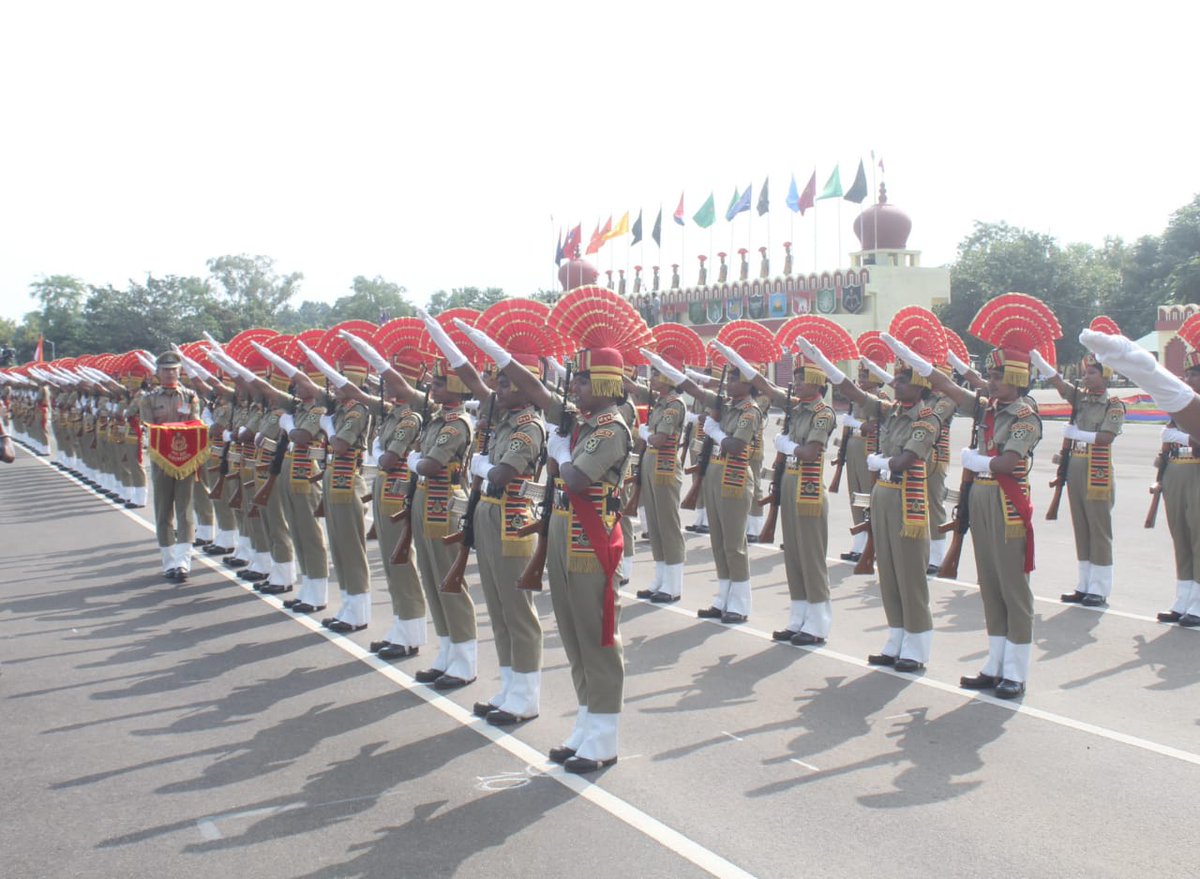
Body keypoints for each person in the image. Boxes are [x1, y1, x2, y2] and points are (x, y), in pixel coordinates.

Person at [461, 290, 635, 774]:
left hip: (589, 543)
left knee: (597, 640)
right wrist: (498, 356)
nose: (573, 388)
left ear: (602, 382)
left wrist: (559, 453)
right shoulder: (583, 421)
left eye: (581, 380)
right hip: (562, 534)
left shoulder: (610, 426)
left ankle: (603, 735)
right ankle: (585, 725)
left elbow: (577, 478)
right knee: (575, 639)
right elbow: (538, 393)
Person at [889, 293, 1055, 699]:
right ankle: (994, 662)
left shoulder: (1025, 415)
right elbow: (947, 385)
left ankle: (1015, 671)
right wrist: (915, 359)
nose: (989, 382)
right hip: (980, 501)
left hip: (1005, 504)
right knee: (990, 583)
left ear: (1016, 377)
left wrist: (973, 460)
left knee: (1013, 588)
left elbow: (1006, 463)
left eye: (997, 377)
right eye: (990, 376)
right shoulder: (988, 408)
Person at [418, 304, 548, 721]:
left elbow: (505, 473)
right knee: (497, 607)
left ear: (528, 387)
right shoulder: (501, 414)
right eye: (500, 382)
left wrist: (483, 468)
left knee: (517, 611)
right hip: (487, 515)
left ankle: (525, 695)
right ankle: (509, 686)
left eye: (508, 382)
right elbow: (473, 380)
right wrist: (446, 339)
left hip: (512, 521)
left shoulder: (529, 424)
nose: (500, 388)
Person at [804, 332, 941, 671]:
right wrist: (824, 363)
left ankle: (917, 645)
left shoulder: (927, 418)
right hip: (882, 499)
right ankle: (896, 637)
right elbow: (854, 393)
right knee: (889, 573)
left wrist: (883, 462)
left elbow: (907, 458)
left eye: (902, 379)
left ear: (920, 385)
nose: (895, 383)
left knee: (910, 575)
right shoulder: (892, 411)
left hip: (907, 502)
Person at [723, 327, 840, 646]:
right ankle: (798, 617)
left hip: (809, 489)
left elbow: (811, 451)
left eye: (802, 377)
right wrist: (738, 362)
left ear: (817, 383)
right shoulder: (797, 409)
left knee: (811, 557)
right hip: (790, 483)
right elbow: (768, 388)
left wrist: (787, 446)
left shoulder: (823, 413)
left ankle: (818, 624)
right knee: (794, 556)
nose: (796, 382)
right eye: (796, 377)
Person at [1031, 340, 1125, 607]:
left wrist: (1078, 434)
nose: (1086, 376)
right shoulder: (1081, 398)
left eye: (1092, 372)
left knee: (1098, 528)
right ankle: (1084, 584)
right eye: (1085, 372)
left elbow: (1106, 437)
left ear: (1105, 375)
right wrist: (1038, 360)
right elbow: (1060, 385)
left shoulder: (1114, 404)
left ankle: (1100, 587)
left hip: (1097, 469)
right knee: (1081, 527)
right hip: (1075, 466)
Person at [137, 351, 202, 582]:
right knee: (163, 510)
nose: (170, 373)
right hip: (161, 459)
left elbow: (195, 424)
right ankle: (169, 561)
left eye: (174, 369)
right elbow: (148, 426)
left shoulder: (190, 396)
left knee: (185, 511)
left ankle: (183, 562)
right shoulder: (149, 399)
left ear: (180, 371)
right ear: (157, 373)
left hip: (185, 459)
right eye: (165, 370)